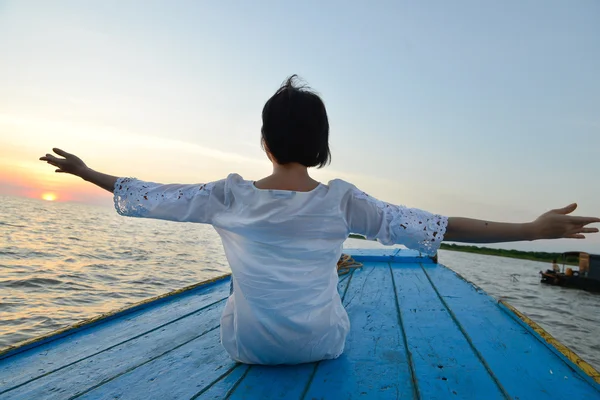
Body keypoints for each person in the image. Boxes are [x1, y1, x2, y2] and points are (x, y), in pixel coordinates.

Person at [39, 75, 600, 365]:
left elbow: (152, 195)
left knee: (239, 295)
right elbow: (440, 225)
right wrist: (532, 228)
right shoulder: (341, 201)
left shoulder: (227, 197)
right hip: (324, 343)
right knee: (328, 283)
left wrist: (88, 172)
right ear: (322, 146)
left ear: (264, 141)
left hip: (249, 349)